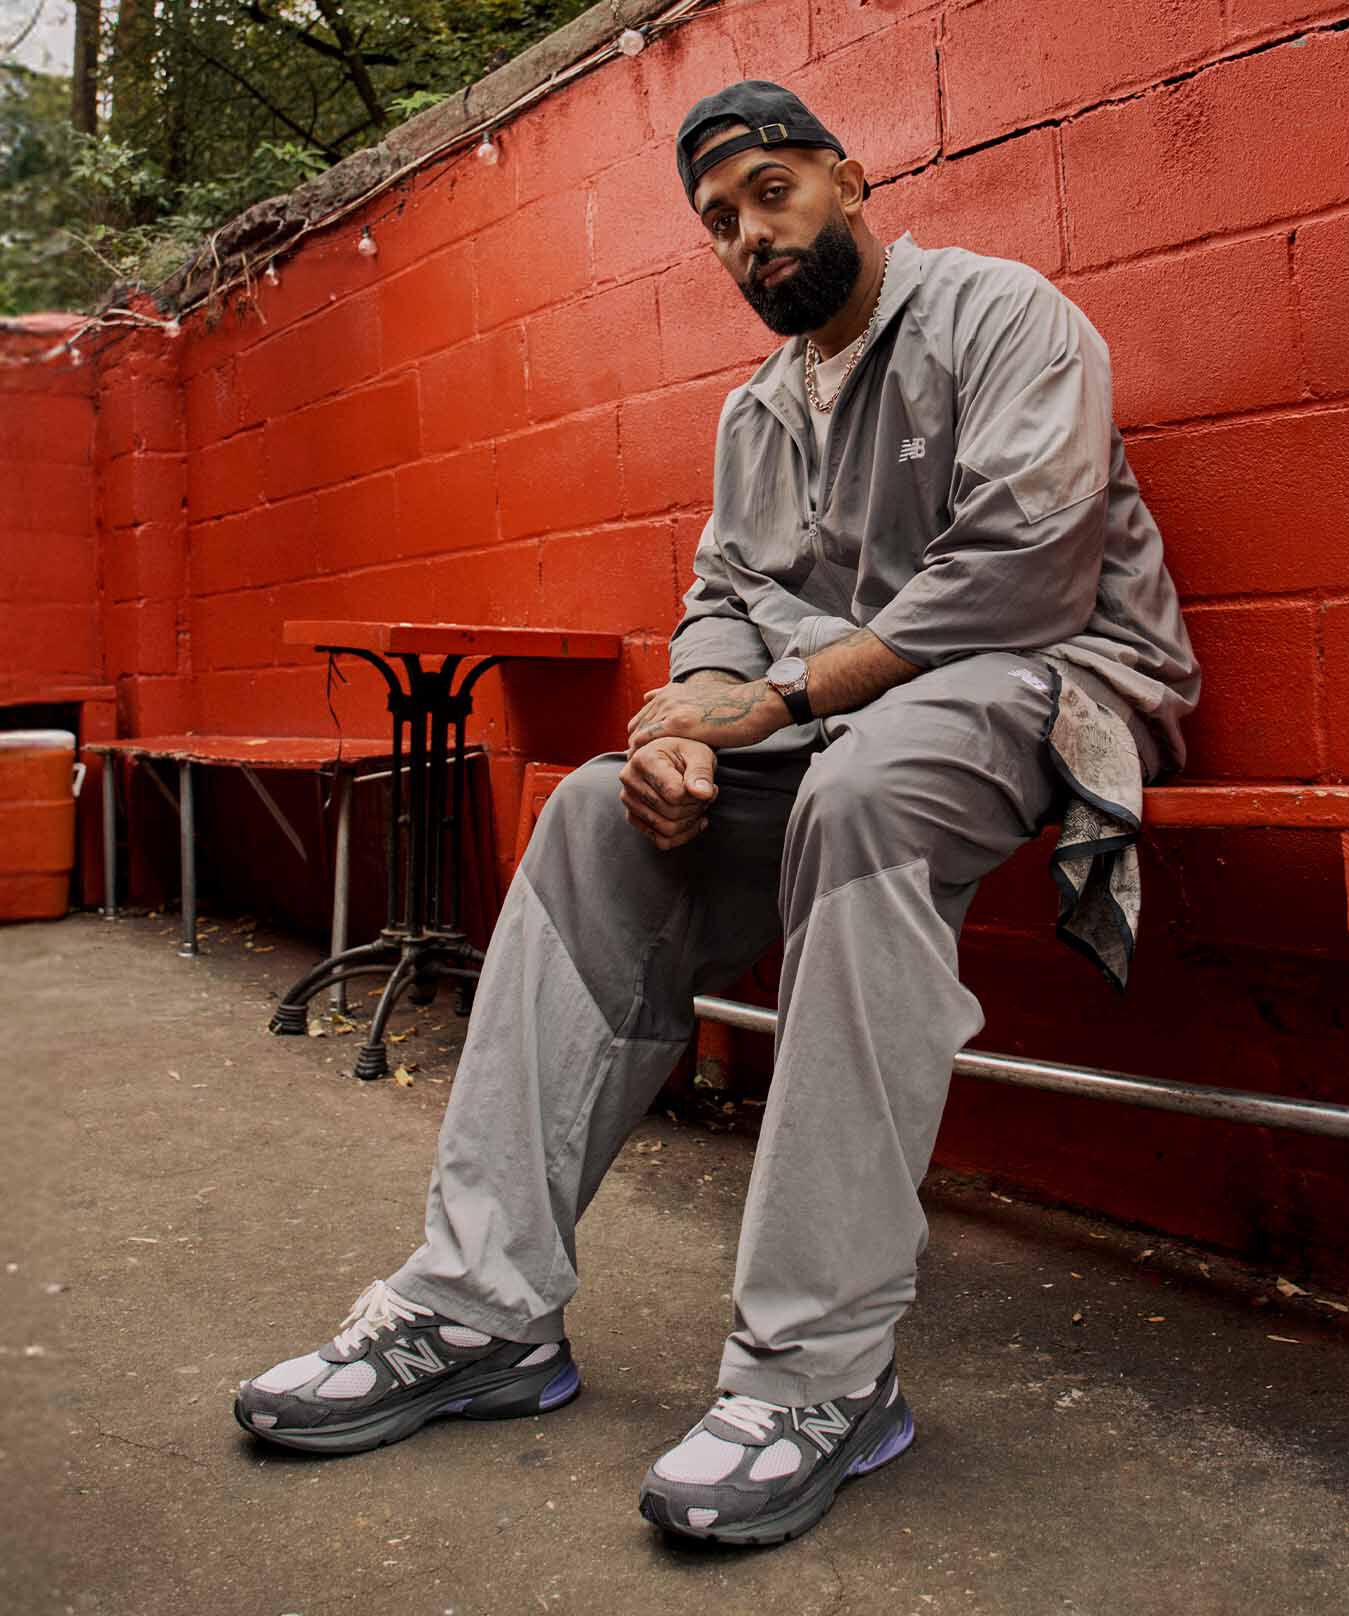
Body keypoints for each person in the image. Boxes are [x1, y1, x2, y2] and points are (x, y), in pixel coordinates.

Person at [236, 80, 1200, 1547]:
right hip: (834, 722)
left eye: (772, 192)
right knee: (587, 821)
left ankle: (819, 1375)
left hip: (1039, 680)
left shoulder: (1005, 315)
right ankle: (479, 1308)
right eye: (721, 222)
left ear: (848, 170)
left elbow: (1029, 567)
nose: (752, 234)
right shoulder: (756, 414)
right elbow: (723, 608)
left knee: (864, 795)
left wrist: (786, 700)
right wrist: (685, 722)